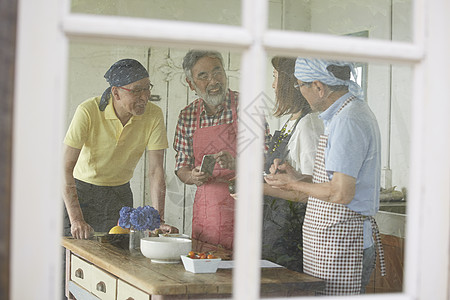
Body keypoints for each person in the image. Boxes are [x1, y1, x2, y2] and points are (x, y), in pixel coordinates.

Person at [265, 57, 385, 295]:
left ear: (319, 87)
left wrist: (293, 185)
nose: (299, 91)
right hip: (330, 243)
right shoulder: (342, 114)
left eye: (301, 85)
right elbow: (332, 183)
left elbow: (341, 192)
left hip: (342, 244)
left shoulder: (347, 120)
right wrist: (298, 178)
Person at [62, 58, 178, 240]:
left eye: (147, 88)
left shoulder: (154, 115)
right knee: (72, 259)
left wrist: (157, 220)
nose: (145, 97)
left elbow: (156, 171)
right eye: (136, 90)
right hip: (80, 193)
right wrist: (76, 219)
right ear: (115, 93)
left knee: (116, 257)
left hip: (119, 195)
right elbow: (65, 167)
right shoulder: (88, 111)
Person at [173, 50, 269, 250]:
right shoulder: (187, 116)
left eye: (217, 72)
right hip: (207, 212)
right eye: (203, 76)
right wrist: (192, 176)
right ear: (191, 84)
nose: (213, 81)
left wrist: (237, 163)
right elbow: (182, 166)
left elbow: (266, 159)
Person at [261, 56, 323, 272]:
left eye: (276, 77)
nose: (273, 85)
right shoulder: (292, 121)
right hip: (276, 225)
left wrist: (258, 188)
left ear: (289, 83)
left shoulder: (309, 124)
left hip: (293, 230)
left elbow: (311, 191)